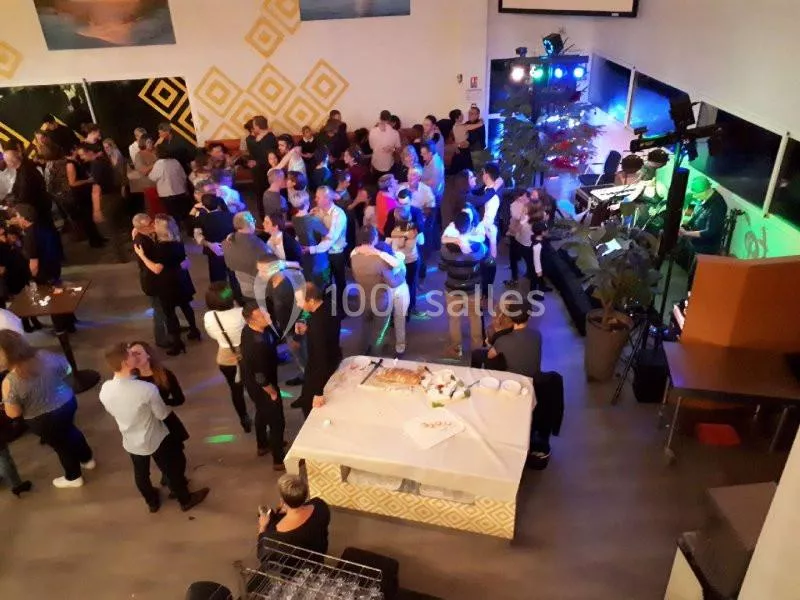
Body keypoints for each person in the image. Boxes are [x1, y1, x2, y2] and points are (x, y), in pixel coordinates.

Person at [99, 343, 209, 513]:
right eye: (130, 354)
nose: (134, 355)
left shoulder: (105, 389)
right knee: (171, 467)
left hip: (130, 439)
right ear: (125, 363)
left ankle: (151, 502)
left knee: (141, 474)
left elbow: (112, 411)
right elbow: (162, 414)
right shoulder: (145, 389)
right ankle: (185, 499)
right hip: (155, 436)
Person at [0, 330, 94, 489]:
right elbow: (67, 369)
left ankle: (73, 476)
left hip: (42, 419)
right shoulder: (45, 355)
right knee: (71, 430)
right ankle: (87, 459)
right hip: (67, 403)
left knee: (61, 445)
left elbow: (13, 413)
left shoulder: (10, 381)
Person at [134, 215, 200, 355]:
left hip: (167, 284)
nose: (153, 225)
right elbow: (184, 262)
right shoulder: (178, 241)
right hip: (181, 279)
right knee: (186, 306)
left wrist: (142, 255)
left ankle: (177, 343)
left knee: (170, 314)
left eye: (154, 224)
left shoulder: (160, 248)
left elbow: (157, 269)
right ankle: (194, 331)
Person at [240, 303, 285, 470]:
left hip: (252, 380)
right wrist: (271, 392)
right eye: (262, 315)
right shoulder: (257, 344)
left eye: (265, 312)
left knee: (261, 411)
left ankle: (262, 444)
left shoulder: (250, 330)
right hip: (262, 385)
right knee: (277, 421)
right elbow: (260, 375)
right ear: (251, 320)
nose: (267, 315)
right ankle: (279, 460)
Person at [352, 226, 409, 357]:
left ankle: (364, 352)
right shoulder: (380, 261)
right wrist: (402, 273)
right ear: (374, 239)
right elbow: (393, 283)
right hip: (380, 302)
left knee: (366, 327)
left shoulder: (354, 256)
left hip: (363, 300)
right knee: (379, 333)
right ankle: (375, 357)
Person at [203, 283, 251, 432]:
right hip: (247, 353)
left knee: (235, 390)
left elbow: (212, 335)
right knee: (255, 384)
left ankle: (244, 418)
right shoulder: (242, 313)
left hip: (225, 357)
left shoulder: (209, 316)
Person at [440, 211, 488, 359]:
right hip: (473, 288)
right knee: (475, 317)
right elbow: (485, 256)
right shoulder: (478, 248)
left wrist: (453, 239)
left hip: (452, 288)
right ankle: (477, 349)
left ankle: (456, 349)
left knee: (454, 319)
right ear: (470, 227)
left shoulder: (445, 249)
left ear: (455, 227)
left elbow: (443, 263)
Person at [294, 283, 341, 418]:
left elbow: (321, 358)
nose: (298, 305)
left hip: (320, 368)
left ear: (311, 301)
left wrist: (318, 392)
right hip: (333, 356)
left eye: (299, 301)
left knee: (310, 407)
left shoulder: (317, 325)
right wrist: (306, 325)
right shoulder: (328, 305)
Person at [79, 142, 130, 262]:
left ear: (90, 152)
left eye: (82, 154)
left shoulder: (96, 165)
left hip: (107, 198)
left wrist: (96, 210)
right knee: (120, 226)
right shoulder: (104, 160)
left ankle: (120, 257)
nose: (81, 157)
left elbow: (96, 189)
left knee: (112, 230)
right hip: (116, 195)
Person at [257, 474, 331, 557]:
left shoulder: (274, 532)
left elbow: (262, 554)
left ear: (282, 500)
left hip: (297, 563)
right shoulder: (320, 505)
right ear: (305, 494)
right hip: (318, 553)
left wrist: (262, 527)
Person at [304, 187, 348, 315]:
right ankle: (327, 309)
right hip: (323, 253)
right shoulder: (319, 211)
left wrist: (312, 249)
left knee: (339, 281)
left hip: (336, 254)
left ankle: (342, 310)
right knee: (325, 281)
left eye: (318, 197)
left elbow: (331, 239)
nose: (315, 199)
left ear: (327, 199)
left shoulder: (338, 215)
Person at [471, 300, 542, 378]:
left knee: (476, 354)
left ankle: (476, 377)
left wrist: (490, 344)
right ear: (530, 317)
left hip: (511, 379)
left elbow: (489, 356)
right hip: (532, 378)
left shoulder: (503, 340)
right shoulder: (537, 335)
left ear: (510, 317)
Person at [132, 213, 169, 348]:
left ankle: (170, 326)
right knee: (159, 311)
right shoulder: (142, 243)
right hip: (152, 282)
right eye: (150, 224)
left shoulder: (142, 234)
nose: (153, 225)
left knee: (164, 307)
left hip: (158, 280)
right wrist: (143, 256)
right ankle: (161, 338)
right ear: (142, 228)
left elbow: (134, 229)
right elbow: (156, 269)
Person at [385, 189, 424, 316]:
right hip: (396, 257)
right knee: (396, 284)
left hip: (411, 257)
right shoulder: (392, 213)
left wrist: (397, 234)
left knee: (411, 283)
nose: (403, 207)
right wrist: (406, 234)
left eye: (406, 204)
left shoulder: (416, 212)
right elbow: (387, 232)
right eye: (400, 204)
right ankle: (397, 311)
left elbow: (420, 229)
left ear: (411, 201)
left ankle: (411, 308)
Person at [223, 211, 271, 304]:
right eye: (253, 220)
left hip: (241, 288)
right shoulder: (259, 246)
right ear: (250, 224)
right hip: (260, 292)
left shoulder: (227, 242)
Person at [2, 148, 54, 228]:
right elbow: (15, 188)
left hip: (38, 207)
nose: (6, 163)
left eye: (6, 161)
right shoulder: (21, 169)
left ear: (12, 162)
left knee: (47, 228)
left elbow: (24, 195)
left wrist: (14, 205)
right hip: (38, 205)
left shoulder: (24, 172)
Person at [193, 194, 235, 284]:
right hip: (231, 250)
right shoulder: (231, 215)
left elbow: (198, 237)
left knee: (218, 278)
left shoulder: (200, 219)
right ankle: (236, 291)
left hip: (213, 253)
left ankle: (223, 292)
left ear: (203, 206)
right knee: (233, 276)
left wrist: (209, 244)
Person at [292, 192, 330, 291]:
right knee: (322, 281)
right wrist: (321, 217)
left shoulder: (294, 218)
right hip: (316, 253)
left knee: (309, 279)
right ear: (307, 203)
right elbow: (327, 232)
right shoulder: (313, 220)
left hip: (304, 253)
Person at [246, 116, 279, 221]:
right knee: (273, 194)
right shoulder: (271, 137)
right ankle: (275, 218)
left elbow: (254, 149)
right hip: (272, 171)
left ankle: (264, 218)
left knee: (261, 195)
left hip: (260, 172)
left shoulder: (251, 140)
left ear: (257, 126)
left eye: (254, 125)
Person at [149, 145, 189, 226]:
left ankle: (176, 231)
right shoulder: (175, 161)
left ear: (157, 153)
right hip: (180, 191)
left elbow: (152, 177)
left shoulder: (159, 163)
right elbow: (184, 176)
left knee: (173, 216)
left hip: (167, 194)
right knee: (183, 214)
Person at [505, 189, 534, 287]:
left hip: (524, 235)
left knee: (526, 255)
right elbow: (516, 217)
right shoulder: (514, 205)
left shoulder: (529, 205)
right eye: (522, 196)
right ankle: (514, 277)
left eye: (526, 196)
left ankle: (527, 274)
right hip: (516, 234)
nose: (524, 198)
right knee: (514, 255)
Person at [368, 110, 401, 180]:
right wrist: (392, 149)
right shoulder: (395, 133)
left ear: (379, 118)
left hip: (377, 165)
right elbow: (398, 149)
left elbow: (371, 147)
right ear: (389, 120)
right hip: (386, 166)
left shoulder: (372, 131)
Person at [449, 109, 472, 173]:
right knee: (463, 167)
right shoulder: (459, 126)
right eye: (461, 114)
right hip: (462, 150)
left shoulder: (458, 126)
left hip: (463, 150)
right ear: (457, 118)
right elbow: (452, 139)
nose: (463, 115)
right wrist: (457, 146)